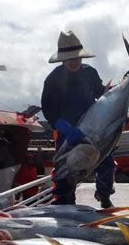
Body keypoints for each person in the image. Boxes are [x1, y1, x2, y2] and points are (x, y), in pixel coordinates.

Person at [41, 30, 115, 208]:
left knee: (106, 160)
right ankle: (65, 203)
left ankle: (104, 195)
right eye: (69, 58)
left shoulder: (90, 72)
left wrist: (112, 92)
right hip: (67, 130)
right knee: (64, 167)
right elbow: (48, 110)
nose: (73, 61)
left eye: (76, 57)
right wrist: (65, 128)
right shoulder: (53, 79)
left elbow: (99, 94)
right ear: (62, 59)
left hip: (92, 126)